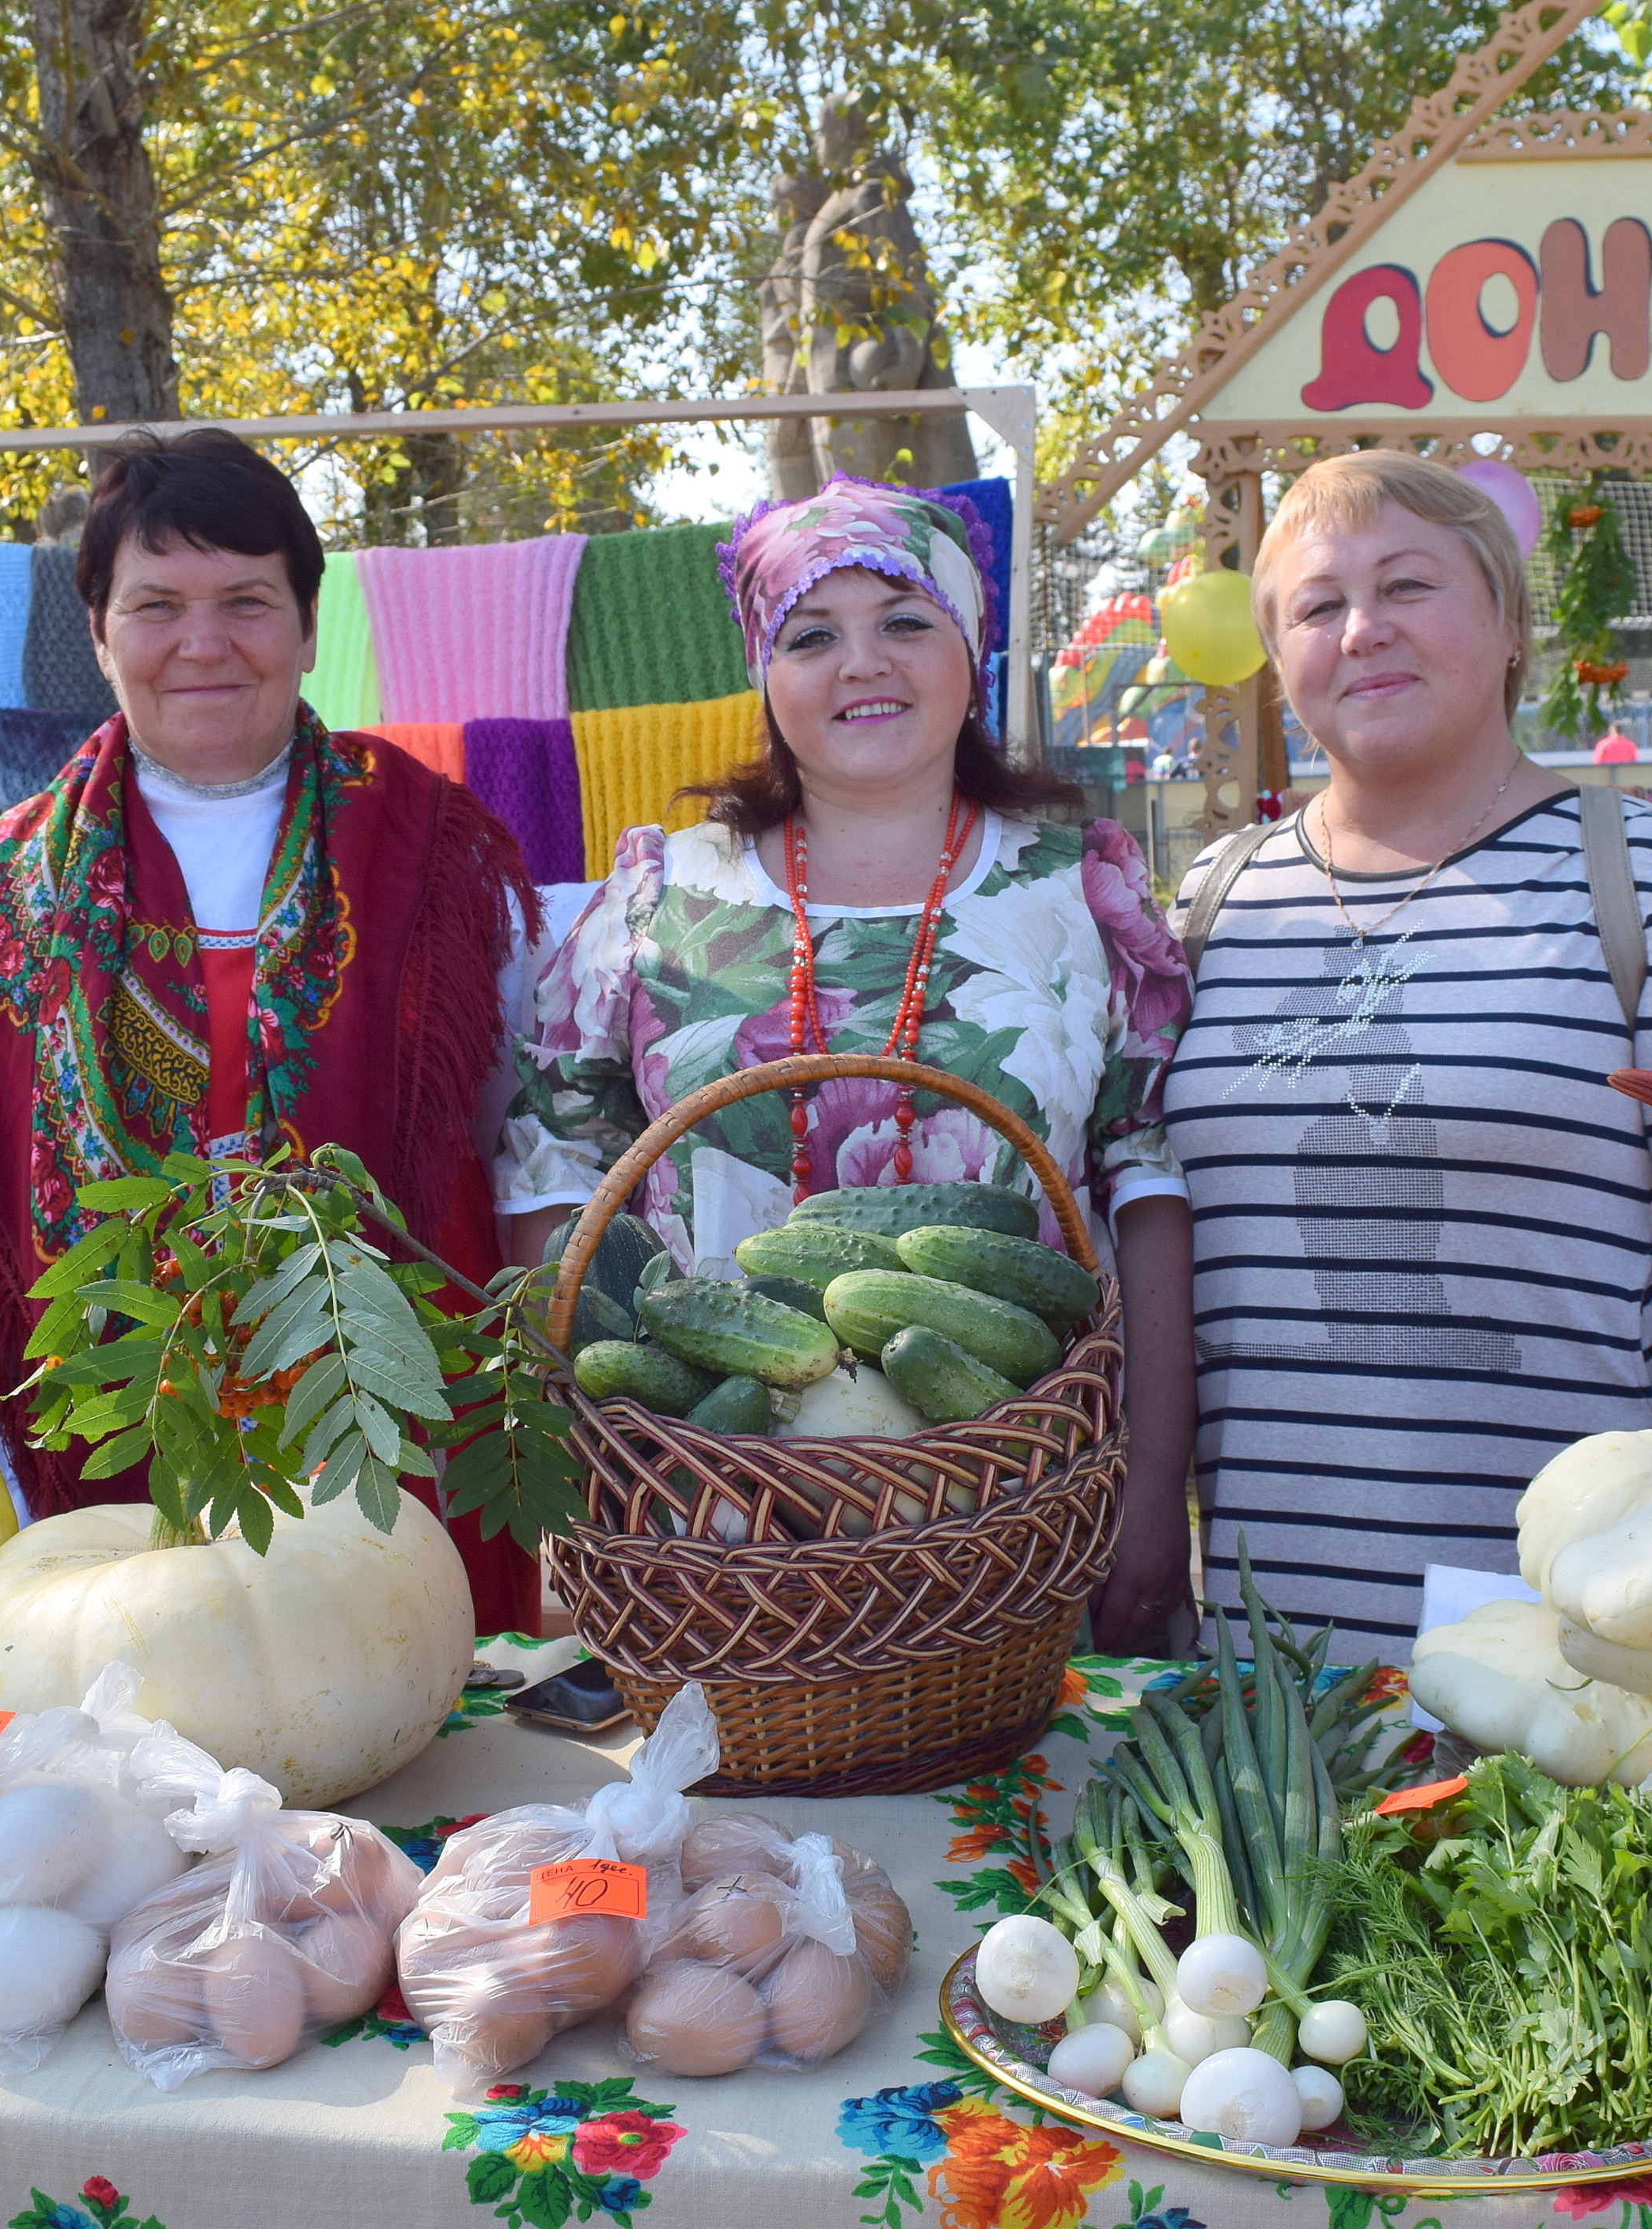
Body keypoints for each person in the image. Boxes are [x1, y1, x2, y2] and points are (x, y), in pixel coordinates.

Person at [0, 426, 541, 1628]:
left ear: (306, 622)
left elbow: (515, 1133)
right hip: (117, 1460)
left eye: (247, 600)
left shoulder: (431, 845)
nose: (203, 644)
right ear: (98, 631)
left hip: (393, 1433)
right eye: (157, 605)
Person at [498, 477, 1195, 1633]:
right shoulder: (663, 897)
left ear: (972, 650)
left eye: (906, 622)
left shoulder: (1081, 890)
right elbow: (553, 1184)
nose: (861, 663)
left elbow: (1152, 1194)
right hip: (705, 1524)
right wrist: (589, 1473)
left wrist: (1154, 1486)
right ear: (766, 676)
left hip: (1020, 1515)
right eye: (812, 634)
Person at [1152, 452, 1652, 1656]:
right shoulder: (1217, 902)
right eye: (1317, 606)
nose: (1363, 632)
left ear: (1507, 624)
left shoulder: (1650, 878)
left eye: (1408, 587)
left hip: (1574, 1648)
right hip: (1264, 1655)